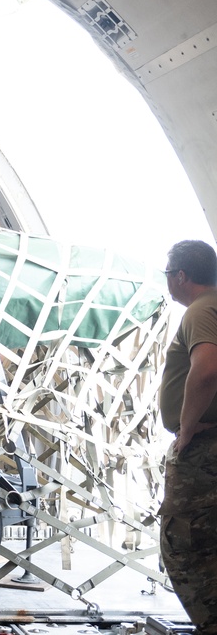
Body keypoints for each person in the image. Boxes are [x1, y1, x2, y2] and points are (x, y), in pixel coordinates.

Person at [158, 239, 217, 632]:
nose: (166, 281)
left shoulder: (202, 309)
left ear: (182, 276)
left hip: (204, 451)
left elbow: (208, 368)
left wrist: (187, 428)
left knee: (186, 545)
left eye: (167, 274)